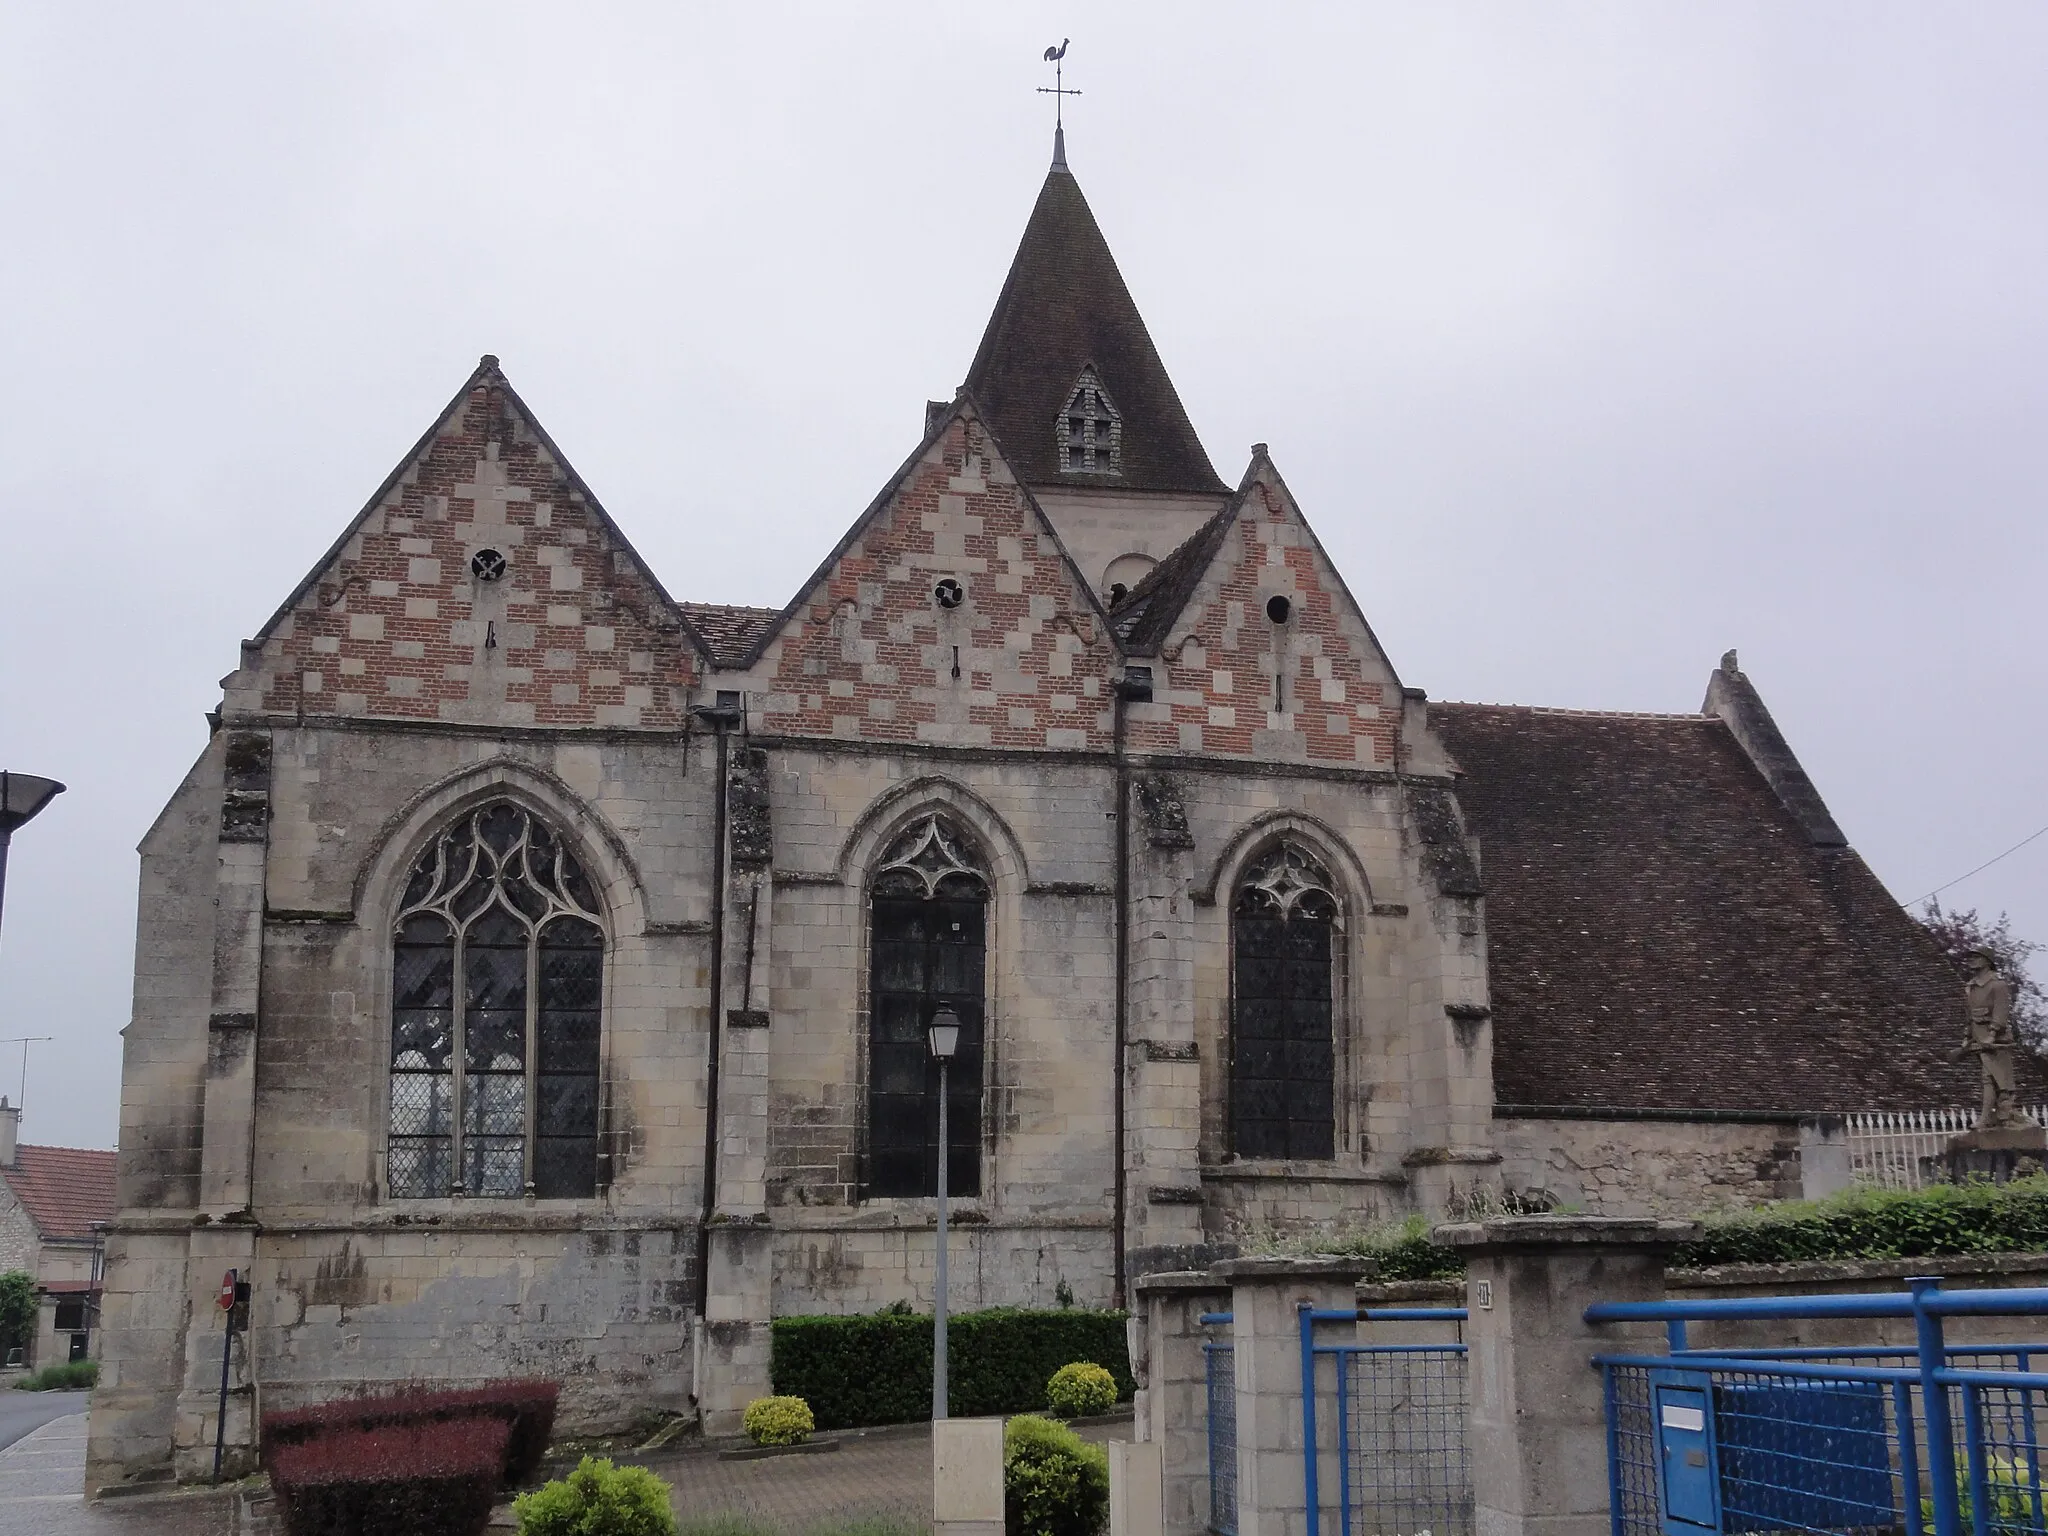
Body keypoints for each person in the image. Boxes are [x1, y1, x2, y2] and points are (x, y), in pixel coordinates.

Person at [1960, 949, 2027, 1129]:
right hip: (1978, 1039)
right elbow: (1969, 1015)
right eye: (1970, 957)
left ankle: (1989, 1116)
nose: (1971, 960)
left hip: (1996, 1041)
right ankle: (1996, 1114)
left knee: (1992, 1078)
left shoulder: (1998, 985)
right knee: (1991, 1078)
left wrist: (1992, 1034)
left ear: (1987, 961)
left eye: (1976, 957)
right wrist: (1967, 1036)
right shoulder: (1971, 987)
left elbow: (2001, 1012)